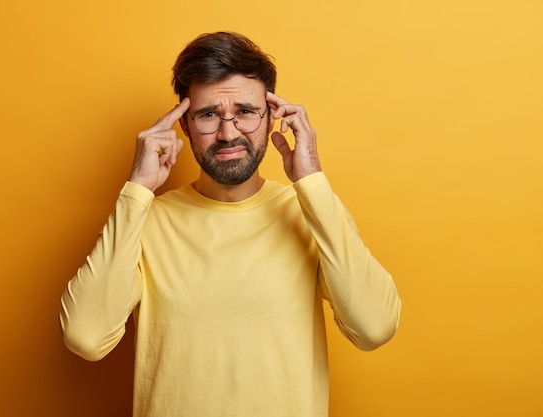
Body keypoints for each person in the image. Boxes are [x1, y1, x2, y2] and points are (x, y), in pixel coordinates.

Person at [59, 31, 401, 417]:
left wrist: (312, 181)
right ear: (184, 127)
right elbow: (86, 338)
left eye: (245, 111)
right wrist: (137, 189)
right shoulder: (146, 220)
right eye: (208, 115)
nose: (228, 133)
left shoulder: (309, 212)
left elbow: (374, 327)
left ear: (273, 116)